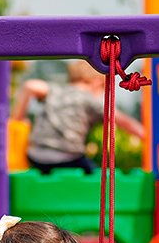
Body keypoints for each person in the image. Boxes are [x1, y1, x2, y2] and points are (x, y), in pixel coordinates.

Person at [12, 60, 145, 174]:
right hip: (68, 157)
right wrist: (145, 135)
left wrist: (17, 119)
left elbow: (30, 86)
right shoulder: (90, 100)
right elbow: (123, 121)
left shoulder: (56, 90)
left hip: (36, 156)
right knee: (98, 176)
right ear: (96, 83)